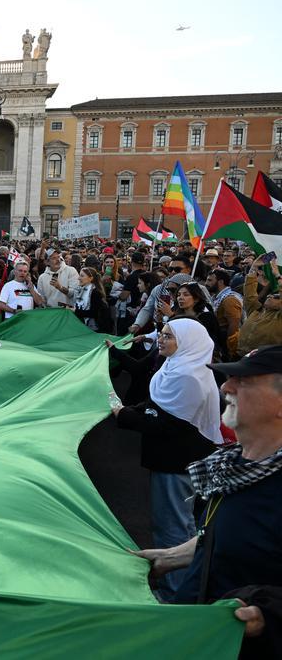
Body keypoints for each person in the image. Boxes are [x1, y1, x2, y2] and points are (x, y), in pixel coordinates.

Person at [135, 346, 282, 658]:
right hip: (193, 636)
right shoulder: (234, 468)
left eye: (245, 381)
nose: (226, 387)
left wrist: (268, 616)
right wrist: (169, 557)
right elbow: (225, 533)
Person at [111, 318, 222, 600]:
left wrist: (124, 416)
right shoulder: (180, 365)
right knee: (184, 526)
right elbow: (155, 407)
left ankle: (175, 594)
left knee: (172, 528)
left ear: (187, 342)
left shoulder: (187, 376)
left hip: (177, 463)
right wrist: (131, 410)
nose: (161, 340)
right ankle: (187, 585)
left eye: (168, 336)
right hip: (178, 460)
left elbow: (167, 425)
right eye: (161, 334)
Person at [238, 255, 281, 355]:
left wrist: (278, 275)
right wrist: (253, 268)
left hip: (266, 364)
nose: (270, 296)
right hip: (241, 357)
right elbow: (249, 294)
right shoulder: (256, 311)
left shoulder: (279, 319)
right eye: (270, 294)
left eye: (276, 296)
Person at [207, 268, 244, 359]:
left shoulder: (229, 299)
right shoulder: (217, 296)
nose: (206, 283)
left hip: (228, 344)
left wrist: (230, 348)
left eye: (210, 280)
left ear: (220, 282)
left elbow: (234, 325)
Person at [73, 267, 112, 333]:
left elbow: (93, 313)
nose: (78, 278)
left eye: (82, 276)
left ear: (90, 278)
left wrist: (75, 311)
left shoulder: (95, 292)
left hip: (96, 328)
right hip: (85, 327)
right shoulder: (81, 290)